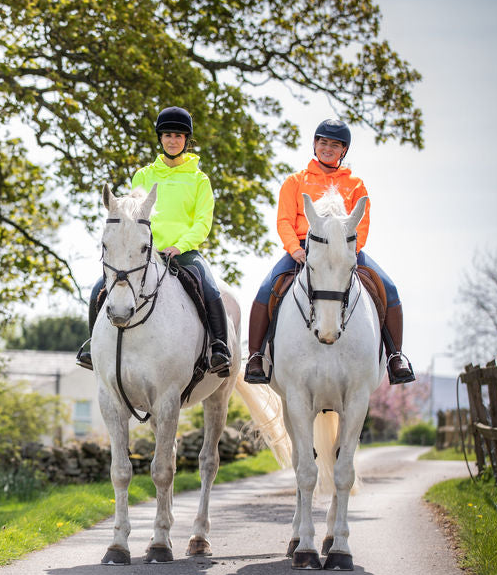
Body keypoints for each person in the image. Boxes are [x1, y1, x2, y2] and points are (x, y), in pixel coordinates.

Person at [243, 118, 415, 385]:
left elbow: (362, 223)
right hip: (302, 249)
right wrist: (294, 249)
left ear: (343, 150)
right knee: (266, 290)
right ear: (314, 144)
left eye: (335, 145)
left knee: (389, 289)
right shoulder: (295, 181)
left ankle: (396, 357)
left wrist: (348, 252)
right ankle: (256, 357)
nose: (328, 148)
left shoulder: (355, 185)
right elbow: (284, 221)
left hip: (344, 251)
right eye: (323, 142)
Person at [76, 106, 232, 377]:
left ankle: (219, 347)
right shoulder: (144, 175)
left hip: (181, 253)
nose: (173, 140)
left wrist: (179, 246)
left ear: (187, 140)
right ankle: (93, 346)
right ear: (160, 138)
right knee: (98, 289)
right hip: (143, 255)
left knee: (210, 288)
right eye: (168, 135)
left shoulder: (199, 180)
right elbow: (132, 217)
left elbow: (202, 222)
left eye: (179, 136)